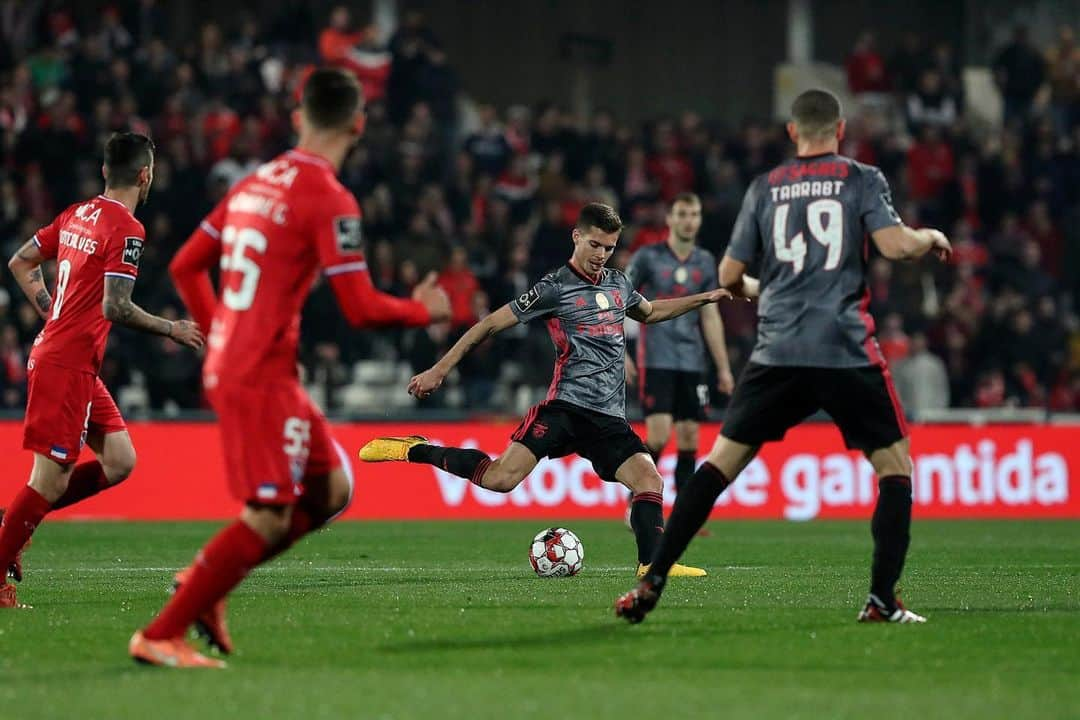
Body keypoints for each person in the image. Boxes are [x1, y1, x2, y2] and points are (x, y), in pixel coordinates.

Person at [130, 68, 450, 668]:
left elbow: (185, 266)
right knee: (270, 512)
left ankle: (208, 584)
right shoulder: (328, 197)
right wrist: (421, 309)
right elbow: (359, 308)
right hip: (257, 372)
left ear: (299, 115)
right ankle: (161, 632)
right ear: (358, 124)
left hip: (257, 364)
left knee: (333, 489)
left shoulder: (253, 183)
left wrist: (220, 328)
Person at [615, 89, 952, 625]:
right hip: (843, 349)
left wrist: (760, 288)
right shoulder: (861, 178)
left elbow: (728, 279)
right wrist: (928, 235)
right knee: (894, 466)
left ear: (793, 133)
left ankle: (651, 581)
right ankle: (882, 599)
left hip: (777, 352)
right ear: (839, 129)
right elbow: (894, 245)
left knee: (720, 464)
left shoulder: (765, 188)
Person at [359, 202, 731, 578]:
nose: (601, 255)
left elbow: (650, 313)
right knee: (501, 479)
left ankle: (651, 564)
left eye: (609, 248)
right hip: (565, 408)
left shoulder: (619, 284)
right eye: (595, 245)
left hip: (608, 418)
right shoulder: (554, 289)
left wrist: (703, 299)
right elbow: (489, 324)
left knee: (649, 479)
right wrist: (439, 369)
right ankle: (416, 449)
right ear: (577, 237)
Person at [0, 132, 205, 610]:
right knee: (48, 481)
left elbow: (20, 261)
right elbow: (117, 307)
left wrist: (52, 310)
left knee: (119, 461)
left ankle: (11, 524)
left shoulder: (77, 213)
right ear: (145, 175)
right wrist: (171, 328)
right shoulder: (127, 229)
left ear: (104, 172)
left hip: (73, 362)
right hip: (65, 364)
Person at [625, 193, 734, 500]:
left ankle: (684, 516)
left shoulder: (704, 261)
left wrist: (723, 367)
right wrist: (621, 353)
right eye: (683, 214)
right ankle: (637, 499)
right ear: (670, 219)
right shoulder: (647, 257)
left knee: (689, 439)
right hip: (657, 357)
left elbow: (710, 315)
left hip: (692, 360)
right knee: (658, 436)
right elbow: (617, 300)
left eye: (694, 214)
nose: (689, 221)